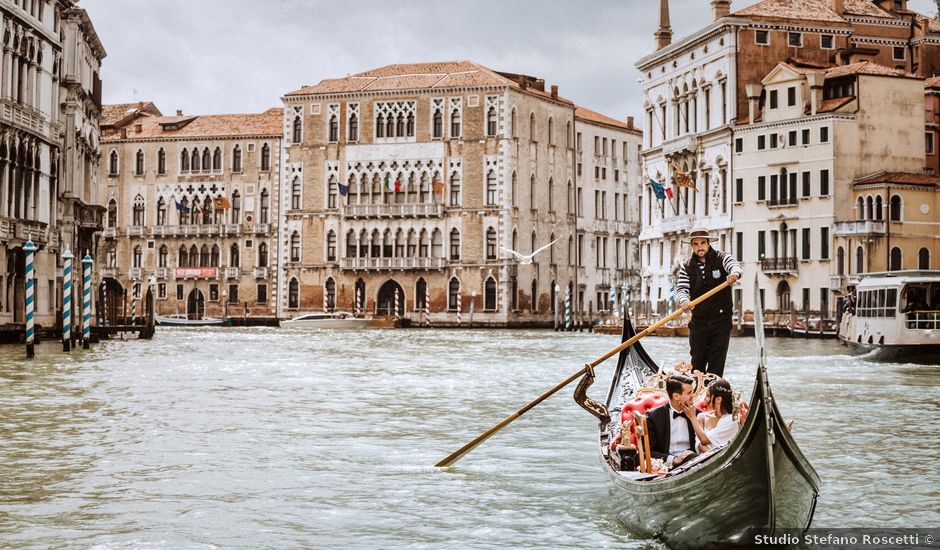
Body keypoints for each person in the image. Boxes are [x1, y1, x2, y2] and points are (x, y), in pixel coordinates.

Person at [676, 227, 743, 378]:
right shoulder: (686, 267)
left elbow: (735, 266)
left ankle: (712, 395)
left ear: (708, 243)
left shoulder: (722, 258)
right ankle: (697, 394)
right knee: (697, 365)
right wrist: (684, 301)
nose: (700, 247)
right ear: (692, 246)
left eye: (702, 243)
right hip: (699, 323)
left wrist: (734, 274)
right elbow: (681, 289)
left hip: (721, 322)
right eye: (696, 244)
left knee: (716, 366)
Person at [646, 374, 698, 468]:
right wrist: (673, 459)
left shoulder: (697, 414)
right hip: (665, 463)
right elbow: (648, 451)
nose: (693, 395)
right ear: (676, 396)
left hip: (693, 461)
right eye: (689, 393)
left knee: (693, 458)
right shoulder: (653, 417)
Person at [683, 379, 739, 453]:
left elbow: (704, 440)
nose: (705, 399)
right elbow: (698, 445)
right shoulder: (702, 417)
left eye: (708, 396)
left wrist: (692, 417)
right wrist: (701, 446)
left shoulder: (731, 420)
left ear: (718, 399)